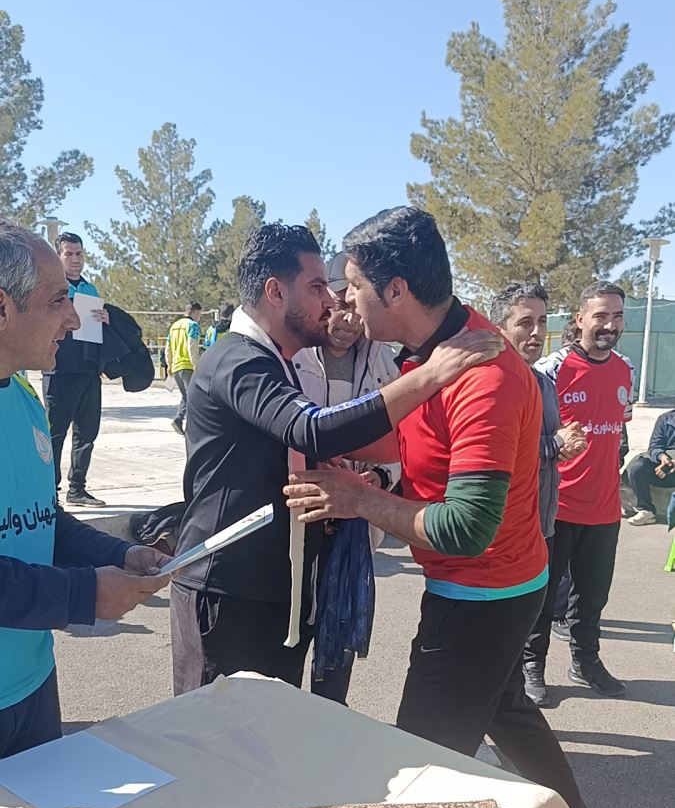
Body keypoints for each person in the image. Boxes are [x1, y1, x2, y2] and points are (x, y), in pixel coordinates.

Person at [285, 207, 598, 808]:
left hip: (483, 595)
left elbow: (465, 528)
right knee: (508, 710)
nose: (345, 300)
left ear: (396, 290)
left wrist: (359, 500)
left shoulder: (483, 376)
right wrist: (306, 441)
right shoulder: (434, 353)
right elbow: (411, 440)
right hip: (499, 583)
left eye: (355, 286)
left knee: (419, 767)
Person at [170, 222, 501, 697]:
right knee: (213, 736)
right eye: (316, 286)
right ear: (274, 293)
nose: (331, 300)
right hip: (226, 594)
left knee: (272, 733)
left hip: (278, 592)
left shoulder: (278, 360)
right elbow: (314, 428)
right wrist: (430, 375)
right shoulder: (236, 360)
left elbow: (312, 444)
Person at [0, 222, 172, 757]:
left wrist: (120, 554)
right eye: (58, 301)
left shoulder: (25, 399)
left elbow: (41, 519)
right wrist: (86, 594)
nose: (74, 319)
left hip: (33, 684)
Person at [294, 251, 400, 704]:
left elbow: (402, 438)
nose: (349, 320)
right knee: (293, 624)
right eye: (339, 305)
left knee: (338, 625)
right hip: (300, 515)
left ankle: (329, 713)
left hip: (355, 520)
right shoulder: (295, 353)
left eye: (356, 308)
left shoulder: (383, 361)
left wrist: (379, 476)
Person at [523, 282, 632, 701]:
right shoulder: (553, 368)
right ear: (580, 319)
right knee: (543, 596)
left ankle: (586, 662)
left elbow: (618, 431)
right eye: (601, 316)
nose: (610, 325)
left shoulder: (625, 369)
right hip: (557, 506)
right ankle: (532, 666)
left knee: (592, 597)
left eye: (617, 316)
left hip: (605, 508)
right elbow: (529, 434)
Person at [489, 283, 587, 704]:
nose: (536, 332)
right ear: (500, 327)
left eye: (542, 322)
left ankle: (527, 674)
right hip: (502, 529)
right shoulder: (491, 380)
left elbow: (544, 445)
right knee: (498, 622)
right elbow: (502, 450)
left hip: (541, 521)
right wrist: (555, 444)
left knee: (536, 607)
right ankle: (499, 698)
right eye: (525, 322)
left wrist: (565, 444)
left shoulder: (544, 383)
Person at [41, 231, 108, 507]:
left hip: (89, 370)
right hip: (60, 370)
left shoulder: (90, 290)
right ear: (58, 256)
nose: (75, 259)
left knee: (87, 433)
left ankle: (77, 489)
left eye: (79, 253)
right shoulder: (49, 289)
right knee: (55, 434)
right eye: (68, 254)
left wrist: (105, 318)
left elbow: (97, 330)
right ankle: (49, 492)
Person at [624, 409, 675, 526]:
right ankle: (646, 510)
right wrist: (662, 457)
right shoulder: (665, 419)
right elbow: (654, 446)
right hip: (663, 468)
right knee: (638, 467)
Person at [166, 301, 202, 434]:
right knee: (193, 397)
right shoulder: (193, 325)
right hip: (187, 366)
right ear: (195, 312)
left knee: (186, 396)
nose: (199, 318)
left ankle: (179, 419)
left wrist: (169, 365)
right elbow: (192, 345)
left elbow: (168, 348)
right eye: (199, 314)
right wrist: (196, 364)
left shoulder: (174, 326)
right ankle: (193, 426)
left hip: (176, 366)